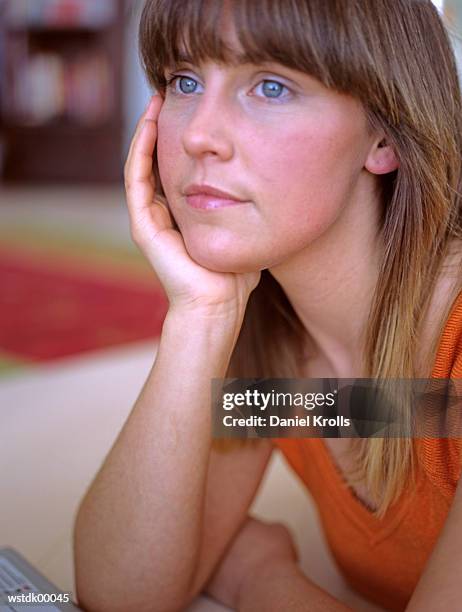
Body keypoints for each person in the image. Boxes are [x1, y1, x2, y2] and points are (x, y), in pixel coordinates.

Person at [73, 1, 462, 610]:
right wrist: (199, 317)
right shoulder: (275, 350)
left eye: (272, 86)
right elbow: (121, 593)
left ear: (384, 134)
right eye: (185, 81)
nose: (199, 135)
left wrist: (260, 578)